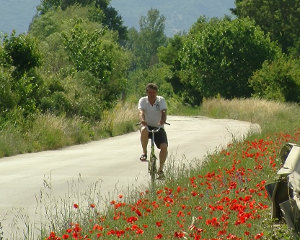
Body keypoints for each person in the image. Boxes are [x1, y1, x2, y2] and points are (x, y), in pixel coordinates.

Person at [138, 83, 168, 180]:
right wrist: (142, 120)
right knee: (143, 130)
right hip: (147, 125)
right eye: (150, 92)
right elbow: (141, 112)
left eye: (153, 92)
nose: (151, 94)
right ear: (147, 92)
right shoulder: (143, 100)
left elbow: (163, 112)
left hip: (158, 127)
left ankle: (160, 169)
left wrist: (162, 120)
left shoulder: (160, 100)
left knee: (164, 147)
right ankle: (144, 152)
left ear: (156, 92)